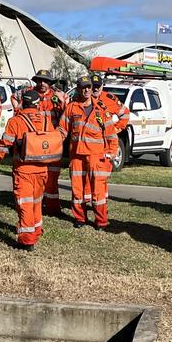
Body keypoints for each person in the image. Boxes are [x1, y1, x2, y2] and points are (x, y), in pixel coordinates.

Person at [0, 90, 50, 251]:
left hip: (24, 170)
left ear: (23, 102)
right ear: (38, 103)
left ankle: (27, 241)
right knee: (36, 203)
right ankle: (36, 231)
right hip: (42, 169)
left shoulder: (16, 121)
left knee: (25, 204)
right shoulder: (45, 120)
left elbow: (4, 144)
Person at [58, 76, 118, 230]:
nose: (86, 90)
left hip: (96, 157)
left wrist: (110, 154)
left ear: (92, 88)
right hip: (77, 155)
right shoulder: (71, 107)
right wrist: (49, 141)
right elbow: (62, 129)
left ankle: (101, 221)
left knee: (98, 191)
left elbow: (111, 135)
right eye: (83, 87)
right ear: (78, 89)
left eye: (89, 87)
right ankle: (80, 218)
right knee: (77, 189)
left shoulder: (101, 109)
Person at [80, 73, 131, 205]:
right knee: (85, 175)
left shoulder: (109, 98)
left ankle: (101, 201)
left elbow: (125, 114)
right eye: (93, 86)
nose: (96, 89)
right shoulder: (82, 98)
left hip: (104, 144)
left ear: (102, 86)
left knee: (101, 176)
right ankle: (86, 201)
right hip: (87, 144)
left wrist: (115, 129)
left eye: (98, 86)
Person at [31, 69, 67, 216]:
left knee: (52, 175)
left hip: (52, 142)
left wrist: (62, 102)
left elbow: (67, 115)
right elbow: (15, 99)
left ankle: (52, 208)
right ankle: (37, 206)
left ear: (50, 83)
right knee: (38, 175)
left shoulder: (58, 96)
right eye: (40, 80)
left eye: (45, 81)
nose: (42, 83)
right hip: (36, 141)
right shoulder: (30, 94)